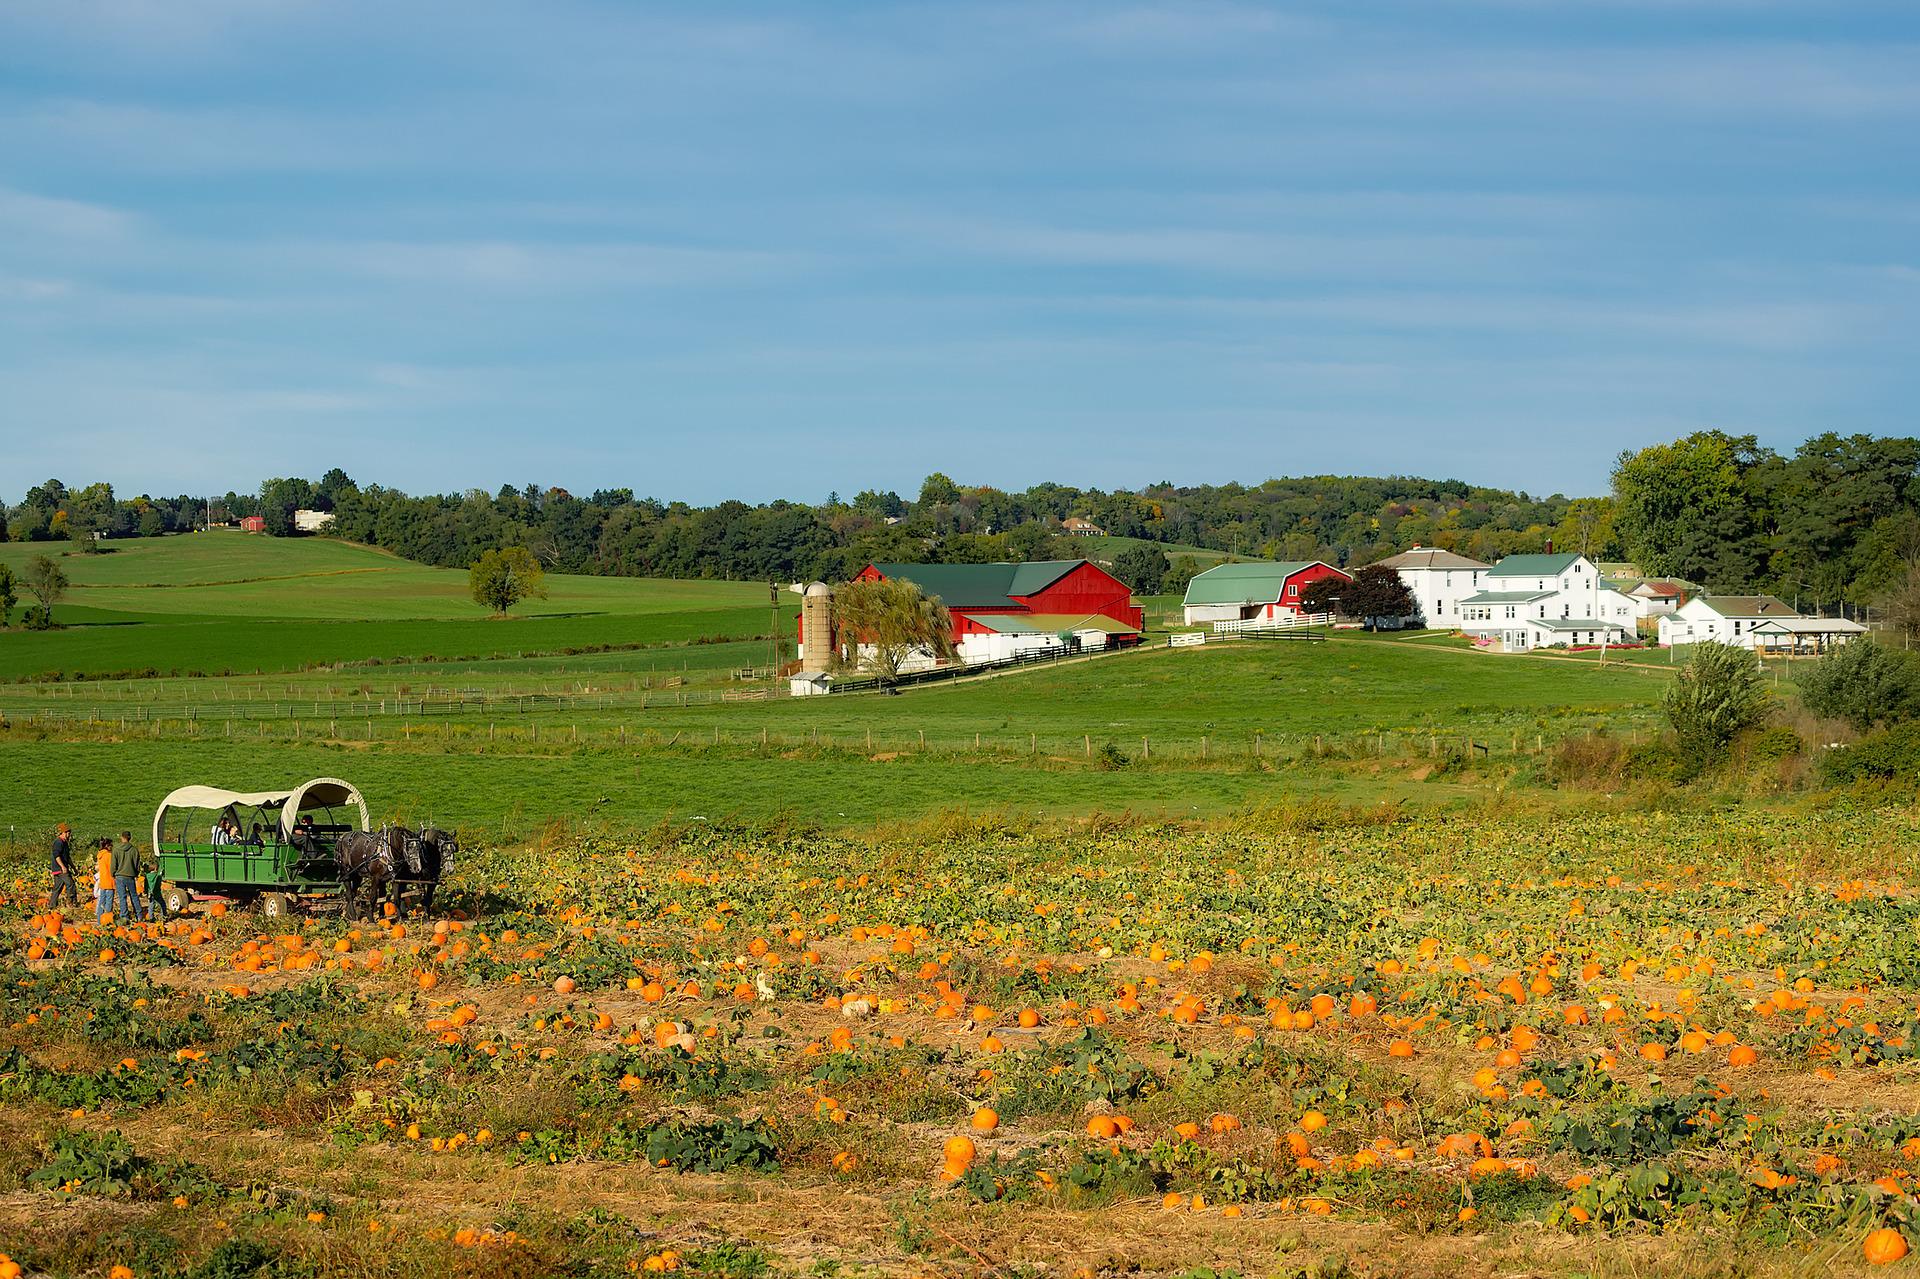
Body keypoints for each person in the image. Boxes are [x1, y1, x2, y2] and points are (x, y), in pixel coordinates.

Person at [111, 830, 148, 923]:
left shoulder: (116, 849)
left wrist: (113, 873)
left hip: (119, 876)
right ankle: (139, 915)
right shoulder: (134, 850)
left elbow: (113, 864)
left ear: (121, 837)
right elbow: (137, 865)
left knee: (122, 897)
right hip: (130, 876)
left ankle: (124, 916)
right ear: (130, 838)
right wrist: (135, 873)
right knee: (134, 896)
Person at [48, 823, 78, 909]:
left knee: (58, 887)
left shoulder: (64, 843)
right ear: (63, 833)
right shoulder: (58, 842)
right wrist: (63, 867)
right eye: (68, 833)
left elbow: (67, 858)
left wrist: (74, 868)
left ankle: (52, 905)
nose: (69, 835)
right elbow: (56, 856)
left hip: (60, 868)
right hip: (60, 869)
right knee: (70, 884)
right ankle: (71, 903)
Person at [93, 838, 115, 922]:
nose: (112, 847)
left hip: (102, 881)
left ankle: (99, 919)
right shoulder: (109, 855)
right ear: (107, 845)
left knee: (101, 900)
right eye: (111, 845)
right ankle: (107, 919)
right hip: (109, 880)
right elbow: (112, 868)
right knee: (109, 901)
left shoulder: (100, 855)